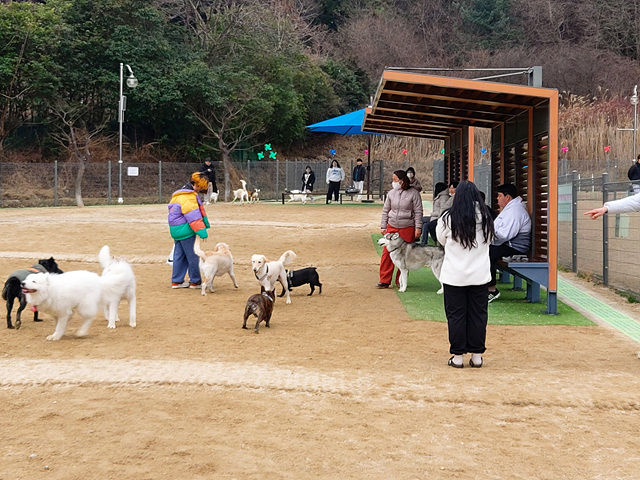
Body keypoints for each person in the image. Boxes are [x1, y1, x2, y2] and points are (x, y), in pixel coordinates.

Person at [436, 181, 494, 368]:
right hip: (480, 276)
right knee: (478, 315)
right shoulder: (486, 217)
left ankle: (457, 357)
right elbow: (491, 240)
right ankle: (477, 356)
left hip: (454, 276)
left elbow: (441, 239)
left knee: (456, 316)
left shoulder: (448, 218)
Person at [378, 169, 423, 288]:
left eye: (395, 180)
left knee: (405, 254)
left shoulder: (414, 193)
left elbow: (418, 211)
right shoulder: (391, 193)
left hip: (407, 226)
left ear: (402, 181)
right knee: (387, 253)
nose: (393, 182)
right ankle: (384, 280)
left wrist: (418, 227)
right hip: (392, 225)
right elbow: (385, 210)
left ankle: (400, 281)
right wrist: (383, 226)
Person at [487, 183, 531, 302]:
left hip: (515, 247)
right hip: (506, 244)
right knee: (485, 250)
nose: (497, 198)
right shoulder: (510, 208)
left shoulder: (515, 211)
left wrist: (489, 239)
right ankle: (484, 286)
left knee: (488, 253)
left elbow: (505, 235)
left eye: (499, 196)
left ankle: (492, 290)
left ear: (508, 197)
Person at [168, 172, 210, 289]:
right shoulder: (188, 197)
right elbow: (193, 216)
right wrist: (202, 231)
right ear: (196, 184)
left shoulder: (179, 194)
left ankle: (176, 281)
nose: (200, 190)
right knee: (193, 255)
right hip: (185, 230)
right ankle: (195, 281)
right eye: (201, 187)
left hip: (176, 230)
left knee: (179, 255)